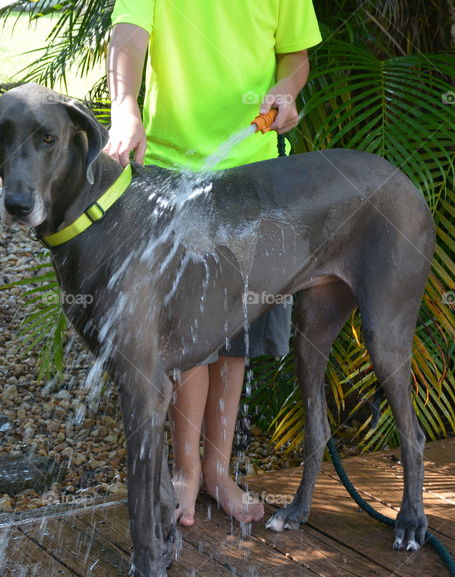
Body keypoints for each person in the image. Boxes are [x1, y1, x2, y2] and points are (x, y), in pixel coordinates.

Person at [105, 1, 321, 526]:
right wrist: (125, 103)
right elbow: (129, 34)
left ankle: (218, 473)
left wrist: (286, 91)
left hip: (254, 174)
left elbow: (295, 56)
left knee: (236, 335)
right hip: (171, 171)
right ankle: (186, 474)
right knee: (187, 336)